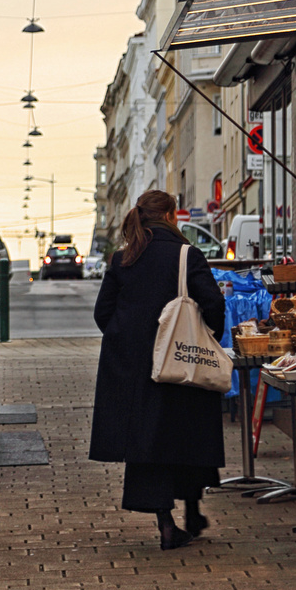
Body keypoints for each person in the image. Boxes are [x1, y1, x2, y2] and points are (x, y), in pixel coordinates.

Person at [89, 189, 228, 549]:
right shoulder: (186, 255)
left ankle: (166, 524)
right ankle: (193, 510)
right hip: (183, 365)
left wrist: (129, 343)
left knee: (147, 446)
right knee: (190, 436)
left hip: (138, 370)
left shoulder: (123, 258)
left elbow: (103, 313)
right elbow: (212, 303)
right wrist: (208, 336)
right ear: (169, 216)